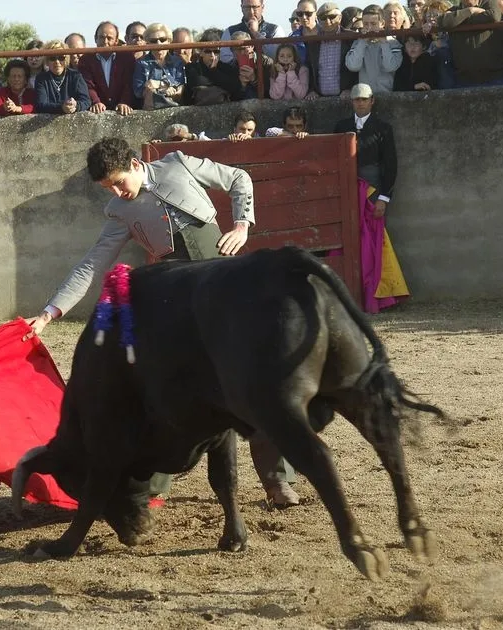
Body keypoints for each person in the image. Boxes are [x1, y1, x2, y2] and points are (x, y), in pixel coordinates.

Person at [23, 137, 301, 508]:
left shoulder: (179, 164)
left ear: (135, 165)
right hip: (177, 299)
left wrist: (241, 225)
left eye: (119, 182)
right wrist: (49, 313)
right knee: (168, 389)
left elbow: (238, 178)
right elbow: (92, 264)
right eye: (108, 189)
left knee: (254, 377)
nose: (117, 193)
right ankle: (150, 486)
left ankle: (277, 481)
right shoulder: (118, 212)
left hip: (223, 283)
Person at [333, 83, 409, 313]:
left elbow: (390, 165)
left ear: (372, 101)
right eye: (357, 99)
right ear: (352, 102)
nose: (360, 103)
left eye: (364, 99)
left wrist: (384, 198)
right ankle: (348, 296)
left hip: (372, 192)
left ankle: (377, 296)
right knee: (348, 239)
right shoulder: (341, 127)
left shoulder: (383, 128)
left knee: (373, 242)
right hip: (348, 190)